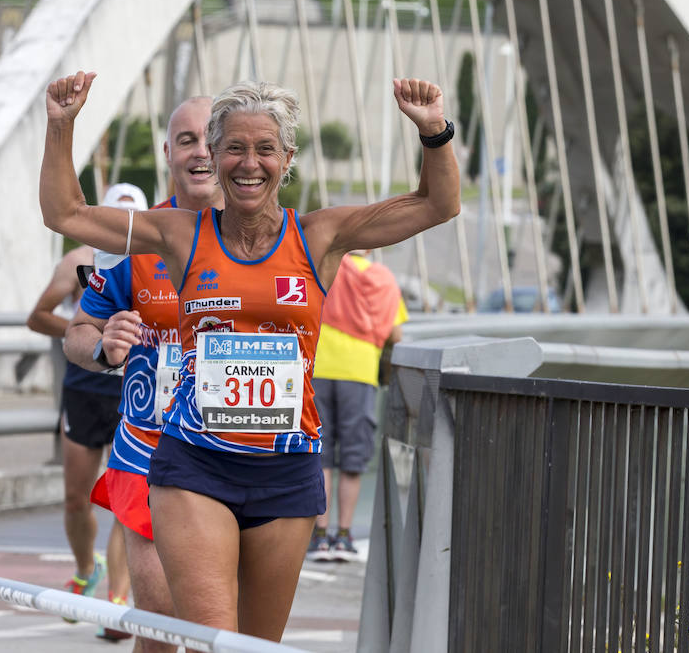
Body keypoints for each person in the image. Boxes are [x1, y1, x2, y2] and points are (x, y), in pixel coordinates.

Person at [40, 70, 459, 641]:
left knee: (257, 645)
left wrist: (434, 132)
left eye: (265, 149)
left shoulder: (319, 236)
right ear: (213, 156)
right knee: (214, 639)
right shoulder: (180, 234)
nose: (249, 163)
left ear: (287, 159)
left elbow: (437, 204)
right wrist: (61, 126)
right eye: (233, 148)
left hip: (286, 471)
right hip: (194, 464)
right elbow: (67, 214)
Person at [64, 96, 223, 653]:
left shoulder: (268, 235)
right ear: (168, 153)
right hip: (149, 453)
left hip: (240, 456)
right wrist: (104, 347)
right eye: (186, 141)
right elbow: (77, 332)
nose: (200, 152)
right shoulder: (133, 238)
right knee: (160, 621)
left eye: (211, 139)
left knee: (225, 629)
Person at [27, 181, 146, 633]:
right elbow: (37, 316)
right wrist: (87, 334)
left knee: (124, 499)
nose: (120, 228)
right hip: (83, 386)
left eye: (129, 218)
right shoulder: (79, 260)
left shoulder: (153, 257)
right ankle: (84, 570)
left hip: (132, 391)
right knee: (76, 499)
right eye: (113, 216)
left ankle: (117, 603)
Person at [306, 251, 408, 563]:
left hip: (319, 369)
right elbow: (396, 333)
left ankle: (320, 535)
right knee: (352, 458)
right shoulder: (384, 280)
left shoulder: (326, 270)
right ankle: (344, 535)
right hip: (360, 372)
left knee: (320, 455)